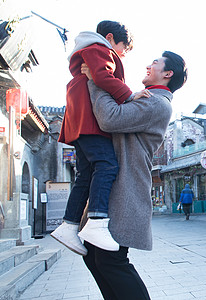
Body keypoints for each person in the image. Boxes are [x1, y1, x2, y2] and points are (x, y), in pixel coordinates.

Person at [81, 51, 187, 300]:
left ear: (167, 73)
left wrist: (96, 81)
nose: (149, 65)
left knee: (111, 260)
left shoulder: (157, 103)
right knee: (94, 257)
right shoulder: (144, 99)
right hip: (112, 185)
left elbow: (110, 118)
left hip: (125, 189)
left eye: (155, 63)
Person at [52, 20, 149, 255]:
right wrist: (128, 95)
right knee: (106, 165)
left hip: (80, 119)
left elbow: (98, 76)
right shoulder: (98, 48)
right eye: (124, 48)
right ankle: (96, 221)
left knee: (86, 174)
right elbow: (103, 76)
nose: (123, 55)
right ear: (110, 38)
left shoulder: (90, 49)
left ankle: (69, 224)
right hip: (89, 121)